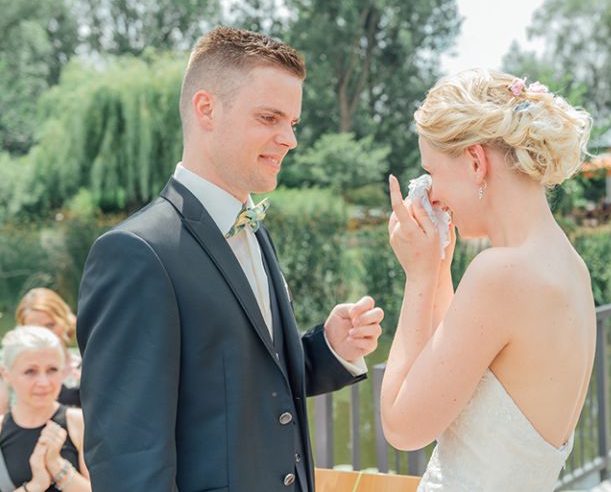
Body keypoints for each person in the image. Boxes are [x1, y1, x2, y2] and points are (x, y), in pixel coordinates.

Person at [76, 26, 384, 492]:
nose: (289, 140)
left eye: (292, 123)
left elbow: (244, 382)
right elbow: (128, 457)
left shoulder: (255, 233)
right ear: (207, 109)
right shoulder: (135, 254)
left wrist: (329, 350)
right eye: (269, 118)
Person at [380, 70, 596, 491]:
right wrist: (441, 263)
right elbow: (451, 376)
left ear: (476, 162)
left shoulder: (500, 273)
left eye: (433, 173)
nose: (432, 193)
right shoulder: (570, 267)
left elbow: (402, 427)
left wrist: (419, 277)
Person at [0, 326, 90, 492]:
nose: (44, 382)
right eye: (30, 372)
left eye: (52, 370)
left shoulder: (80, 423)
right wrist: (35, 485)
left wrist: (57, 466)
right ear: (6, 374)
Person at [15, 289, 81, 407]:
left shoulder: (88, 364)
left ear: (65, 321)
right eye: (34, 328)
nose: (43, 334)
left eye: (50, 325)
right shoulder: (10, 371)